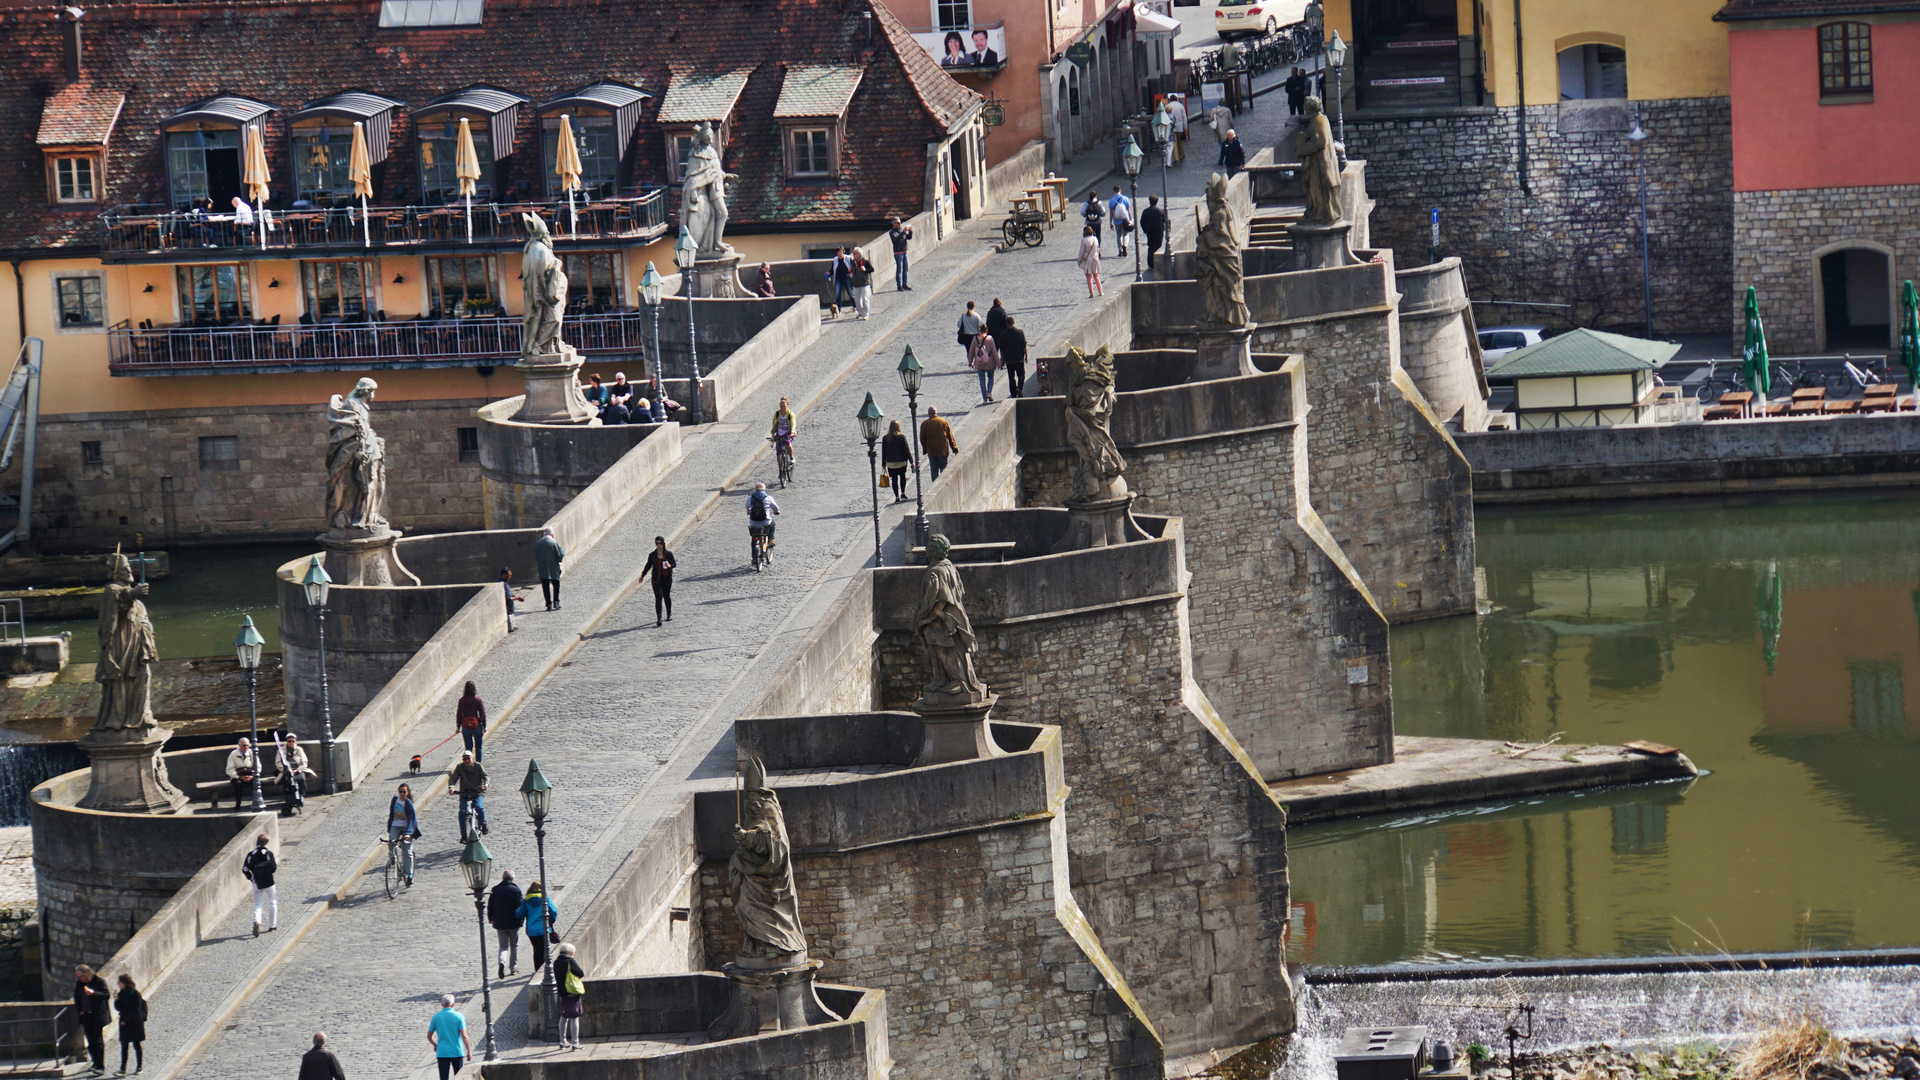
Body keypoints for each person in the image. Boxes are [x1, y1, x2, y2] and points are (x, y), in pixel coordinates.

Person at [488, 870, 524, 980]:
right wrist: (521, 919)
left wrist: (491, 918)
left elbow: (490, 906)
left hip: (500, 923)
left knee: (503, 946)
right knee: (514, 945)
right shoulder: (516, 890)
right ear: (512, 879)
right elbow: (520, 906)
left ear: (502, 877)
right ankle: (513, 968)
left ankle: (501, 962)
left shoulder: (495, 889)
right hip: (513, 922)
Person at [74, 965, 109, 1074]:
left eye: (81, 976)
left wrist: (93, 993)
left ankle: (100, 1066)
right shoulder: (79, 984)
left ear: (86, 974)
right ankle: (95, 1062)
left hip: (97, 1015)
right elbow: (77, 998)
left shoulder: (99, 981)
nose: (79, 979)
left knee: (97, 1040)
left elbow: (106, 995)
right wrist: (80, 1010)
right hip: (86, 1016)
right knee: (90, 1041)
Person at [426, 995, 471, 1080]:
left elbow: (429, 1036)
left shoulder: (436, 1017)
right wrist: (469, 1051)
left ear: (442, 1004)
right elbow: (464, 1035)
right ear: (453, 1004)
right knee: (459, 1077)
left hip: (442, 1052)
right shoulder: (459, 1016)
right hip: (456, 1051)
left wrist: (435, 1045)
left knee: (443, 1077)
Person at [517, 881, 558, 972]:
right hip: (544, 928)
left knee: (536, 950)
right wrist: (551, 920)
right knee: (545, 950)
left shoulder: (526, 900)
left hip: (532, 930)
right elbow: (554, 911)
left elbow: (519, 914)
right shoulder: (545, 899)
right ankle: (546, 970)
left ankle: (538, 970)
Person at [243, 832, 277, 936]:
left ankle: (257, 921)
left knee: (258, 904)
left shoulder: (250, 855)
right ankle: (272, 926)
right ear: (266, 842)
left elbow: (244, 869)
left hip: (256, 882)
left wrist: (251, 878)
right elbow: (273, 868)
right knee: (272, 902)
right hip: (268, 881)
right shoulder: (268, 854)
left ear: (257, 842)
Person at [449, 750, 488, 841]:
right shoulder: (460, 767)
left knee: (479, 807)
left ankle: (483, 824)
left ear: (472, 759)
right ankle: (463, 835)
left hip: (477, 792)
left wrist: (485, 784)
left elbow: (485, 776)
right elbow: (453, 778)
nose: (466, 761)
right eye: (464, 759)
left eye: (468, 759)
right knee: (462, 813)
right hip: (465, 793)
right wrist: (451, 787)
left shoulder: (478, 766)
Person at [555, 942, 587, 1050]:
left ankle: (562, 1041)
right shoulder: (570, 961)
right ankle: (575, 1043)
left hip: (562, 992)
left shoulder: (556, 962)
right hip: (572, 991)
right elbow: (580, 973)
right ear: (569, 953)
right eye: (573, 953)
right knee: (574, 1016)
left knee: (564, 1016)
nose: (573, 955)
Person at [388, 783, 420, 887]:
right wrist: (389, 827)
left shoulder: (408, 803)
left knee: (407, 851)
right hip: (396, 825)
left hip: (407, 827)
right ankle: (393, 859)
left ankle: (409, 875)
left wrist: (407, 834)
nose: (402, 793)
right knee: (391, 842)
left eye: (404, 792)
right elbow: (391, 814)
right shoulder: (395, 799)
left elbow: (411, 820)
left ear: (407, 793)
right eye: (400, 791)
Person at [640, 536, 676, 627]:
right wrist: (642, 576)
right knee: (658, 597)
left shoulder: (668, 554)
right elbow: (648, 566)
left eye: (660, 543)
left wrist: (669, 566)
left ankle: (669, 613)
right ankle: (659, 618)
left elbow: (674, 564)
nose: (659, 545)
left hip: (667, 579)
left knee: (666, 596)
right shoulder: (652, 555)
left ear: (663, 544)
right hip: (656, 580)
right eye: (657, 543)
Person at [114, 974, 145, 1076]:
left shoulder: (135, 994)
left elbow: (136, 1010)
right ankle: (122, 1068)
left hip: (135, 1022)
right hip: (124, 1023)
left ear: (125, 983)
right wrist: (116, 1000)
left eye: (120, 982)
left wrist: (126, 1020)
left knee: (136, 1045)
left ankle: (139, 1066)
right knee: (124, 1045)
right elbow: (119, 1008)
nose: (118, 984)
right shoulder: (121, 994)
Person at [274, 734, 311, 817]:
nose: (291, 743)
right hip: (286, 770)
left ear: (295, 741)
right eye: (289, 741)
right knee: (287, 781)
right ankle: (290, 799)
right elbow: (278, 762)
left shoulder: (299, 749)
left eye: (293, 741)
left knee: (301, 779)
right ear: (286, 742)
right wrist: (285, 770)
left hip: (297, 769)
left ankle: (301, 795)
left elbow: (304, 762)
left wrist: (297, 770)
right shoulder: (281, 750)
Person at [920, 406, 957, 481]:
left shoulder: (925, 423)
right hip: (943, 450)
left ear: (929, 414)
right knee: (944, 469)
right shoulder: (943, 422)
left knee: (934, 470)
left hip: (931, 451)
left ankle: (934, 487)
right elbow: (950, 436)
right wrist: (954, 448)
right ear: (936, 413)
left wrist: (925, 449)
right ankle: (944, 484)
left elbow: (922, 438)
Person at [746, 482, 780, 561]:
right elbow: (775, 507)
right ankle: (770, 539)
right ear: (764, 490)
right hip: (766, 522)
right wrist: (776, 511)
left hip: (754, 522)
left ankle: (754, 557)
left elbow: (747, 507)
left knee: (754, 538)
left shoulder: (751, 497)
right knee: (773, 524)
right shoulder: (768, 497)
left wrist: (749, 513)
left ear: (755, 490)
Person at [223, 737, 259, 810]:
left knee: (257, 783)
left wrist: (252, 776)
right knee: (238, 784)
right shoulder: (233, 754)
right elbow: (229, 769)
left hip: (250, 775)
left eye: (247, 745)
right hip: (238, 776)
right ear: (239, 745)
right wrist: (238, 777)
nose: (245, 747)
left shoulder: (252, 753)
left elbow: (258, 766)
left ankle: (257, 802)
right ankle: (238, 804)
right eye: (243, 745)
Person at [968, 325, 1001, 403]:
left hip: (979, 363)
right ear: (987, 331)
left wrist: (970, 362)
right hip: (989, 362)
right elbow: (994, 352)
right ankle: (989, 392)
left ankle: (984, 398)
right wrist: (998, 363)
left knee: (982, 381)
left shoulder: (975, 339)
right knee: (990, 377)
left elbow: (971, 351)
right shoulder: (990, 339)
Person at [535, 526, 565, 612]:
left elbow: (536, 556)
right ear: (552, 534)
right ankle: (556, 602)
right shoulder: (554, 543)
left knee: (545, 586)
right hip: (553, 568)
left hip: (542, 568)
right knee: (556, 585)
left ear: (544, 534)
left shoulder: (539, 543)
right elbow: (560, 554)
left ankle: (548, 604)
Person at [881, 420, 911, 501]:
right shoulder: (901, 437)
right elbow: (906, 450)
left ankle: (897, 497)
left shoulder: (885, 438)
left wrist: (883, 463)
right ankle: (903, 493)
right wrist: (912, 461)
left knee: (894, 480)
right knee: (902, 477)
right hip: (902, 462)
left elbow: (884, 451)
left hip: (891, 463)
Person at [455, 682, 486, 762]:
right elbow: (482, 714)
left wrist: (458, 727)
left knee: (468, 747)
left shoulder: (461, 701)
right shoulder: (478, 700)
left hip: (465, 726)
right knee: (478, 747)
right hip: (476, 725)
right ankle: (478, 764)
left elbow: (459, 714)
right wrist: (484, 726)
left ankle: (468, 763)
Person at [1000, 315, 1029, 398]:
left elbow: (1002, 349)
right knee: (1021, 375)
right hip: (1019, 358)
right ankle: (1019, 388)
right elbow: (1024, 346)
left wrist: (1002, 360)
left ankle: (1013, 393)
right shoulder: (1020, 332)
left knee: (1011, 377)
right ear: (1014, 323)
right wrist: (1026, 355)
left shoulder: (1003, 334)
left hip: (1009, 359)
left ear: (1006, 324)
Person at [1139, 195, 1167, 279]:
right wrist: (1166, 229)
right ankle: (1155, 263)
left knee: (1150, 246)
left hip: (1150, 232)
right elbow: (1166, 220)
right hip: (1158, 231)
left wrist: (1145, 230)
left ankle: (1151, 264)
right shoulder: (1161, 211)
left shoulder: (1146, 211)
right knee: (1157, 246)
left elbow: (1142, 222)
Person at [826, 248, 854, 317]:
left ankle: (855, 306)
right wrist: (829, 273)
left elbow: (853, 266)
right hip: (838, 279)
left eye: (841, 251)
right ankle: (839, 309)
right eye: (838, 252)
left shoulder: (848, 258)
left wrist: (851, 272)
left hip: (846, 277)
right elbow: (833, 269)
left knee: (850, 292)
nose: (839, 253)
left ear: (843, 252)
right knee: (837, 294)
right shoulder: (835, 260)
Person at [770, 397, 797, 465]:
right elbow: (774, 424)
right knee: (778, 451)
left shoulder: (790, 414)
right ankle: (781, 468)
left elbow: (793, 423)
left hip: (787, 433)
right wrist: (773, 434)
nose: (783, 408)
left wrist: (792, 432)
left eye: (784, 406)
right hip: (779, 433)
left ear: (787, 406)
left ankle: (791, 457)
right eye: (781, 406)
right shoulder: (777, 414)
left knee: (787, 443)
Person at [1078, 225, 1104, 298]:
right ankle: (1100, 291)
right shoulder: (1095, 239)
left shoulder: (1084, 240)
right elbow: (1097, 249)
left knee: (1089, 277)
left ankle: (1091, 293)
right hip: (1095, 258)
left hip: (1088, 260)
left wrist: (1079, 260)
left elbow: (1081, 251)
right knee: (1096, 275)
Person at [888, 215, 913, 290]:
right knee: (899, 269)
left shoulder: (901, 230)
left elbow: (908, 237)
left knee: (905, 268)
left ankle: (905, 283)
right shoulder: (892, 232)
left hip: (905, 251)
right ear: (894, 224)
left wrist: (910, 232)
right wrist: (903, 232)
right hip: (898, 252)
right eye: (897, 223)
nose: (899, 224)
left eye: (899, 223)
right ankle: (899, 285)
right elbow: (895, 241)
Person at [1108, 185, 1133, 258]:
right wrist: (1131, 219)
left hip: (1117, 220)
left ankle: (1120, 251)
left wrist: (1111, 222)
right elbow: (1128, 211)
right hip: (1125, 220)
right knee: (1126, 234)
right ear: (1120, 191)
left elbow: (1111, 213)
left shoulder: (1112, 200)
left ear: (1113, 192)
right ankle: (1125, 245)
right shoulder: (1126, 199)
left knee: (1119, 236)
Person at [848, 249, 873, 320]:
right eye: (853, 253)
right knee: (857, 300)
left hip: (864, 283)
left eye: (855, 253)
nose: (854, 255)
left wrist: (865, 270)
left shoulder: (865, 261)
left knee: (865, 299)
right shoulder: (853, 262)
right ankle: (860, 313)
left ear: (859, 254)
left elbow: (872, 269)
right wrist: (850, 270)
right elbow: (852, 271)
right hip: (856, 284)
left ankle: (866, 314)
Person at [1167, 93, 1189, 163]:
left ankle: (1176, 158)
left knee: (1174, 143)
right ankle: (1181, 155)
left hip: (1171, 128)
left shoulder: (1167, 106)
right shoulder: (1180, 106)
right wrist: (1185, 128)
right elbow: (1184, 117)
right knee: (1180, 141)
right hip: (1180, 126)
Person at [500, 568, 524, 632]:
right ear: (505, 575)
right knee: (510, 619)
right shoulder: (502, 584)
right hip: (508, 607)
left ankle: (512, 626)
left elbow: (510, 594)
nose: (510, 577)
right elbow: (507, 598)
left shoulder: (505, 583)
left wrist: (516, 597)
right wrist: (517, 598)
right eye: (509, 575)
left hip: (510, 607)